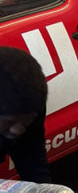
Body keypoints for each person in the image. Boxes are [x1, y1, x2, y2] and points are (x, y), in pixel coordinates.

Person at [0, 46, 51, 182]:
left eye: (26, 122)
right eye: (10, 122)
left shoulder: (30, 100)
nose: (18, 130)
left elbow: (33, 163)